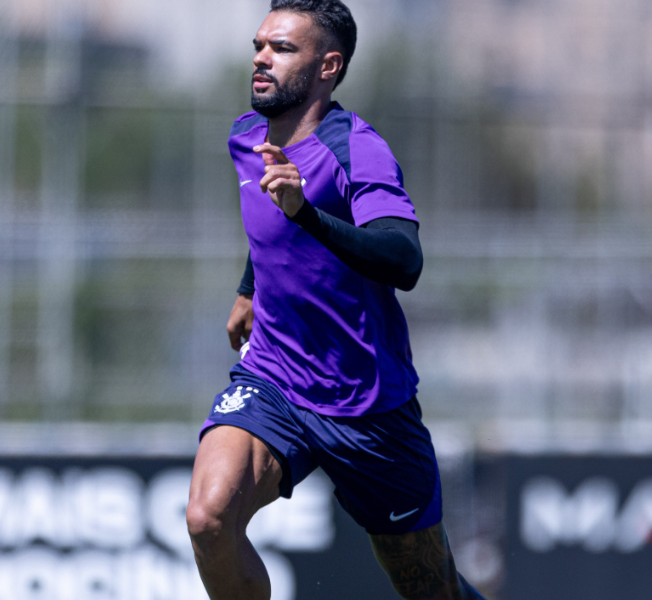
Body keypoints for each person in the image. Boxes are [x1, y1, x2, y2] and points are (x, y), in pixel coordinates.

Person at [186, 1, 486, 598]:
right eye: (259, 45)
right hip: (274, 380)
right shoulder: (246, 137)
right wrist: (250, 288)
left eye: (281, 49)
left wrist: (309, 214)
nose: (260, 58)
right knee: (208, 518)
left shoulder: (357, 150)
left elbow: (404, 260)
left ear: (328, 66)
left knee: (432, 590)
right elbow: (270, 221)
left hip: (369, 407)